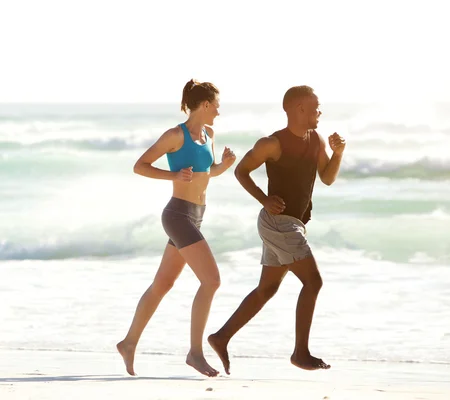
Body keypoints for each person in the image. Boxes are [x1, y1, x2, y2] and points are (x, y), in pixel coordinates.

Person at [207, 85, 346, 374]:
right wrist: (264, 199)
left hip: (293, 225)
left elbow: (328, 178)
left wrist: (338, 153)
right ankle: (300, 353)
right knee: (313, 282)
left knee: (266, 289)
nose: (320, 112)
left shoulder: (316, 140)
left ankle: (221, 337)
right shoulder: (273, 143)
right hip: (278, 224)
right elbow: (241, 171)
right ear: (299, 109)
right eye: (315, 107)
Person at [116, 79, 236, 377]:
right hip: (178, 215)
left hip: (196, 216)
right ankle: (195, 353)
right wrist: (172, 175)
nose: (218, 113)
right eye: (216, 106)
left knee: (163, 284)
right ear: (205, 105)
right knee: (212, 281)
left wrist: (224, 165)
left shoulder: (209, 134)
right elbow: (140, 166)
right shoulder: (175, 135)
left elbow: (206, 174)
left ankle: (128, 343)